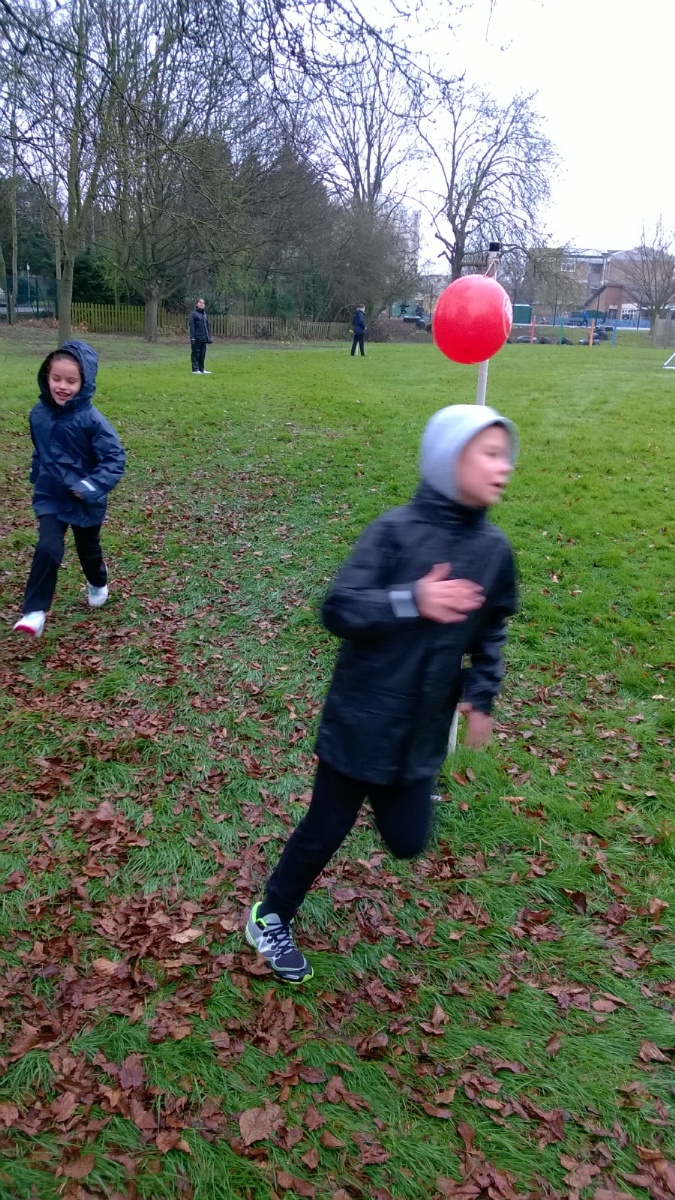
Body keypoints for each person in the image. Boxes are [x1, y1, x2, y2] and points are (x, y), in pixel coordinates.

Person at [245, 404, 518, 983]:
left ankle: (388, 791)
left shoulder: (494, 550)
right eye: (489, 454)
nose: (504, 467)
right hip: (362, 718)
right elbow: (339, 608)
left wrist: (481, 692)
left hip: (422, 729)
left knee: (408, 841)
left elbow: (491, 625)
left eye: (506, 455)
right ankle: (271, 916)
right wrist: (412, 599)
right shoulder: (395, 531)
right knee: (327, 826)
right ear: (449, 459)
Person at [13, 341, 126, 639]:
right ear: (46, 377)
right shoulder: (39, 414)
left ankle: (97, 581)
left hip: (85, 499)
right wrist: (38, 472)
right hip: (51, 495)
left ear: (83, 383)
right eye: (56, 379)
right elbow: (41, 449)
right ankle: (34, 612)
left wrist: (90, 486)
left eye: (71, 381)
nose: (62, 386)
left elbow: (115, 459)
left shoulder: (92, 420)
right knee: (48, 547)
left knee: (88, 552)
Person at [189, 298, 213, 374]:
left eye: (203, 303)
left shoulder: (205, 315)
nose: (202, 304)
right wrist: (192, 337)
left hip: (204, 338)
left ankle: (201, 369)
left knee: (202, 354)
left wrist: (209, 337)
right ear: (197, 304)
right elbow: (192, 327)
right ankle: (195, 369)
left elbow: (207, 327)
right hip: (196, 337)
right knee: (196, 353)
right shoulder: (193, 314)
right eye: (200, 302)